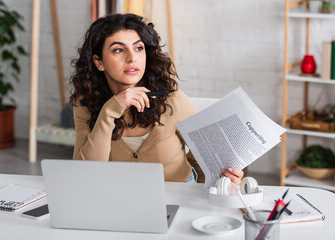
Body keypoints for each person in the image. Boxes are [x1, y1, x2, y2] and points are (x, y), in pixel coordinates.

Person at [70, 13, 243, 184]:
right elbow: (85, 173)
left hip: (179, 195)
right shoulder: (85, 102)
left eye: (139, 48)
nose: (132, 58)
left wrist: (209, 192)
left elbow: (205, 159)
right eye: (119, 50)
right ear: (99, 62)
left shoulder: (172, 100)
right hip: (122, 198)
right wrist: (109, 111)